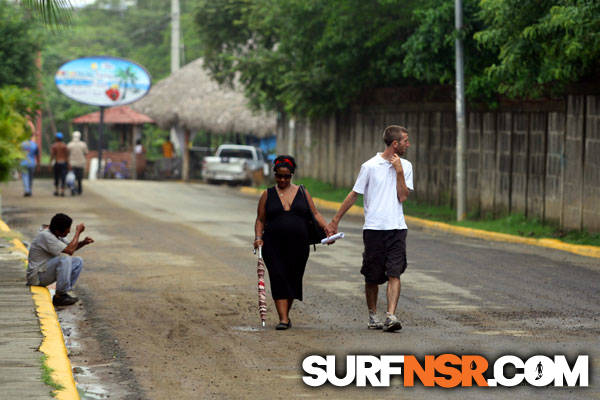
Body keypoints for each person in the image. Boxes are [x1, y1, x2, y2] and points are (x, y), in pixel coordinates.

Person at [327, 125, 413, 332]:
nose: (408, 145)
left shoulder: (406, 166)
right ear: (395, 144)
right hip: (374, 229)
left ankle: (391, 315)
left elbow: (403, 197)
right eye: (405, 141)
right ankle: (373, 315)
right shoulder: (370, 166)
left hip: (397, 228)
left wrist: (399, 172)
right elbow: (354, 194)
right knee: (372, 276)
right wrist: (335, 220)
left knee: (395, 273)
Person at [253, 155, 332, 330]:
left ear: (292, 175)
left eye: (286, 176)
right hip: (273, 245)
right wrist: (258, 238)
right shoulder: (267, 194)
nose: (282, 179)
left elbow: (315, 214)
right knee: (278, 277)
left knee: (293, 279)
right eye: (279, 176)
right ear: (274, 174)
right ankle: (283, 319)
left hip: (299, 246)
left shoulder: (302, 192)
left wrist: (327, 228)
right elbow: (260, 219)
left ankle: (285, 316)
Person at [26, 213, 94, 306]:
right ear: (58, 231)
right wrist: (78, 232)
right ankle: (60, 296)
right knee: (64, 258)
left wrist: (83, 243)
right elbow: (69, 251)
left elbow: (70, 247)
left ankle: (64, 293)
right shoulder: (46, 236)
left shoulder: (55, 234)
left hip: (45, 271)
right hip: (36, 277)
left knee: (78, 261)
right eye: (67, 230)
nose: (69, 232)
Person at [67, 130, 88, 195]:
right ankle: (79, 190)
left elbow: (67, 153)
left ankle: (73, 189)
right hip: (81, 164)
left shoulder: (69, 144)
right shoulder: (83, 144)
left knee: (72, 177)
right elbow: (86, 153)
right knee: (80, 178)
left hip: (72, 164)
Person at [50, 132, 69, 196]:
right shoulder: (64, 145)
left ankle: (56, 190)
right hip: (64, 163)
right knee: (63, 177)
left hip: (57, 162)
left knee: (56, 177)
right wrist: (68, 164)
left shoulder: (54, 145)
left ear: (56, 138)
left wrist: (50, 163)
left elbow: (52, 155)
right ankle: (62, 191)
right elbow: (67, 155)